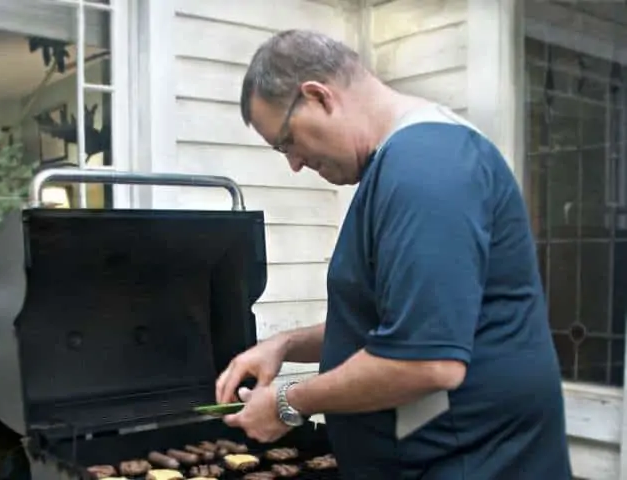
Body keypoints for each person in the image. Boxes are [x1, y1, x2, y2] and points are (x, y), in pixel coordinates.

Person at [214, 29, 572, 479]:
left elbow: (425, 362)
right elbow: (401, 322)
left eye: (286, 141)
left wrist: (289, 403)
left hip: (473, 463)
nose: (295, 163)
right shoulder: (403, 164)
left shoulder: (427, 167)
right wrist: (284, 345)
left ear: (318, 97)